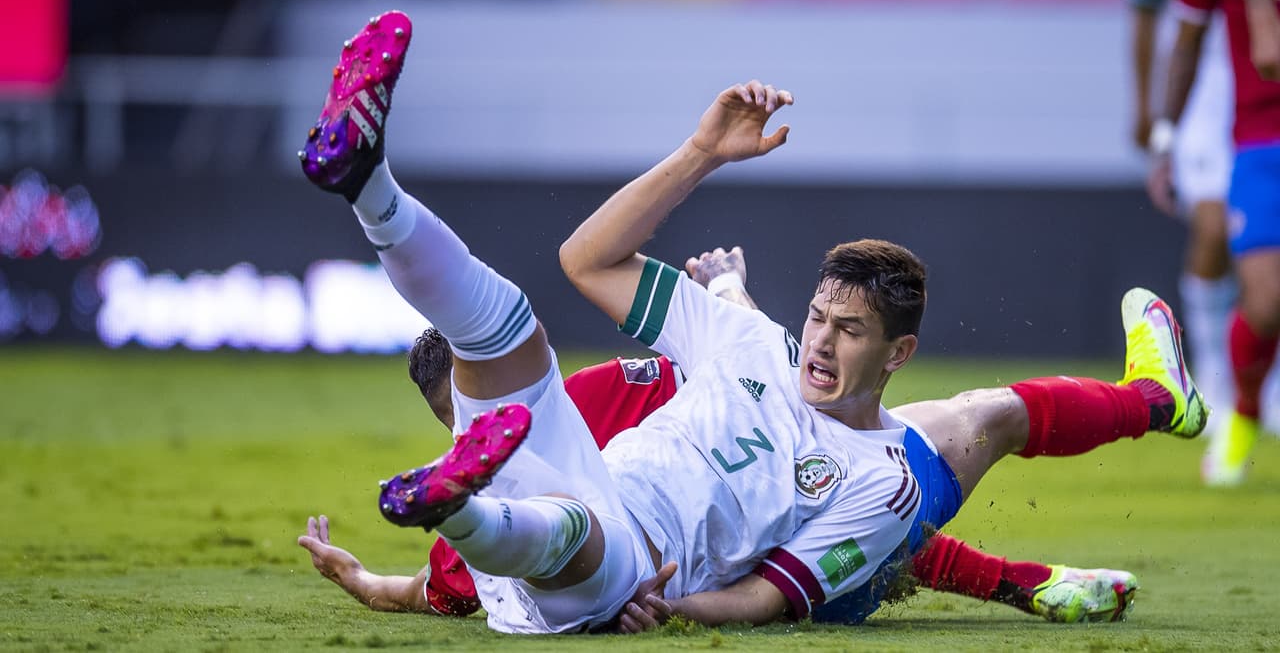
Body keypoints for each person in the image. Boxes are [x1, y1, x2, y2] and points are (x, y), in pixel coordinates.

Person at [300, 12, 1203, 633]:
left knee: (573, 523)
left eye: (848, 332)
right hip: (577, 525)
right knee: (507, 333)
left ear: (900, 353)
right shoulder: (747, 343)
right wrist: (701, 154)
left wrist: (670, 608)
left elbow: (767, 600)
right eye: (817, 317)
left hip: (619, 570)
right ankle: (370, 182)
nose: (819, 341)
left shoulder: (881, 478)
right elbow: (589, 262)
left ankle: (462, 504)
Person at [300, 258, 1139, 626]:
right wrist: (365, 579)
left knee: (858, 486)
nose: (474, 427)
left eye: (473, 413)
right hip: (744, 570)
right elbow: (432, 589)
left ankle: (1042, 571)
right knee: (889, 494)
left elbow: (748, 381)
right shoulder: (560, 422)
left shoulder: (597, 400)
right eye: (464, 422)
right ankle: (1036, 580)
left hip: (770, 511)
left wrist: (731, 296)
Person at [1154, 0, 1280, 485]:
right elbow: (1190, 35)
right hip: (1260, 133)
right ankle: (1243, 411)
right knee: (1262, 300)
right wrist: (1166, 136)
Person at [1128, 0, 1238, 429]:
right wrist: (1148, 106)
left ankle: (1257, 379)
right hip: (1200, 86)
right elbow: (1146, 13)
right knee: (1214, 225)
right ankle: (1213, 374)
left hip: (1258, 78)